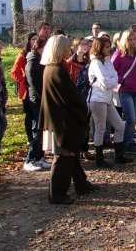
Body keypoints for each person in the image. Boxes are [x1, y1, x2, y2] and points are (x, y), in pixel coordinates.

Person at [39, 35, 97, 204]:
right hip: (63, 120)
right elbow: (71, 96)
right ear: (59, 49)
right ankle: (56, 193)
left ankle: (81, 184)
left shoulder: (52, 68)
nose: (68, 50)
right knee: (65, 154)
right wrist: (84, 108)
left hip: (61, 117)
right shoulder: (56, 70)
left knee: (71, 153)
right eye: (66, 47)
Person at [88, 37, 132, 167]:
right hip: (97, 99)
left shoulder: (107, 61)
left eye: (109, 46)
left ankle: (119, 155)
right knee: (100, 129)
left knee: (120, 126)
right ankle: (99, 159)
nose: (109, 49)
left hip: (107, 99)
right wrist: (113, 81)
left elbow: (115, 77)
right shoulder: (96, 63)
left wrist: (113, 80)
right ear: (99, 48)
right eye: (106, 47)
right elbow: (107, 82)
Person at [111, 29, 136, 154]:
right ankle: (125, 142)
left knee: (133, 117)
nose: (133, 41)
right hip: (125, 90)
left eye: (134, 39)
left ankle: (129, 140)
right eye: (130, 39)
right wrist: (122, 81)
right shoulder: (118, 54)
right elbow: (112, 70)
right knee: (131, 117)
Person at [24, 37, 52, 171]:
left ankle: (39, 157)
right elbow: (34, 85)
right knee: (38, 130)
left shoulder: (41, 61)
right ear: (39, 47)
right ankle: (30, 159)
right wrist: (44, 99)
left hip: (44, 100)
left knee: (43, 130)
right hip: (37, 101)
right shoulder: (32, 62)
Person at [66, 37, 94, 160]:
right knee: (76, 125)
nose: (85, 46)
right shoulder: (69, 63)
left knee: (86, 124)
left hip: (88, 96)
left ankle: (85, 149)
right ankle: (75, 150)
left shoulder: (89, 63)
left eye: (86, 44)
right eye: (82, 44)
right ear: (76, 46)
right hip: (75, 97)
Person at [10, 32, 38, 144]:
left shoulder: (40, 53)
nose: (35, 41)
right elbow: (14, 72)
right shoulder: (23, 54)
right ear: (29, 41)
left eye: (37, 39)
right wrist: (24, 80)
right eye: (33, 39)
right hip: (27, 91)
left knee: (37, 115)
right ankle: (30, 138)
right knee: (29, 114)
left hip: (37, 89)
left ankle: (37, 138)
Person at [0, 40, 7, 156]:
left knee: (3, 124)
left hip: (0, 97)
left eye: (0, 48)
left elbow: (3, 80)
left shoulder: (0, 62)